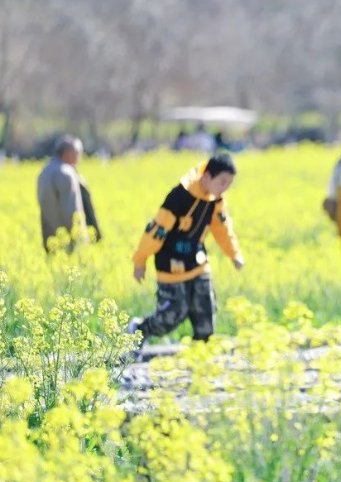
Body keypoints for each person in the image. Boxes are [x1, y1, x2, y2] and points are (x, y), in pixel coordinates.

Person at [127, 154, 244, 347]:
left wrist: (234, 254)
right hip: (170, 267)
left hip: (198, 263)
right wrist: (140, 261)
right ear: (207, 176)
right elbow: (155, 232)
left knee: (206, 315)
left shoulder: (217, 200)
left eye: (229, 184)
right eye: (222, 182)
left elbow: (222, 229)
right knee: (172, 316)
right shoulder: (180, 196)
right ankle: (139, 330)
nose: (225, 188)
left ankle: (201, 355)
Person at [36, 135, 102, 251]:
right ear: (68, 153)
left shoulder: (44, 171)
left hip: (51, 240)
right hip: (68, 242)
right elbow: (72, 210)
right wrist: (79, 238)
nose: (80, 158)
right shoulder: (66, 173)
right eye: (78, 153)